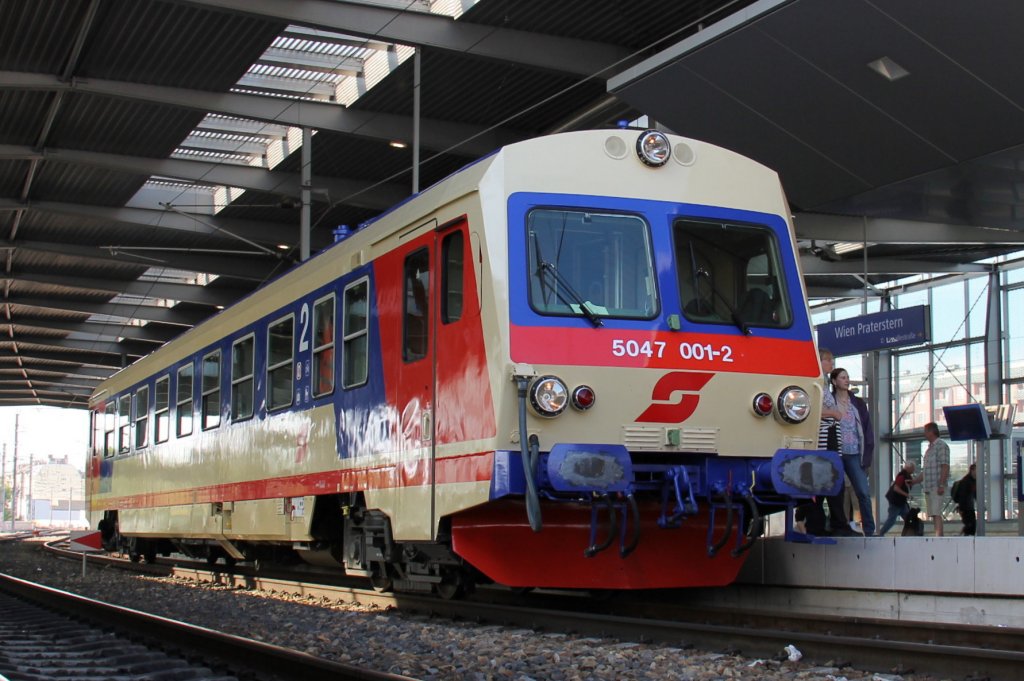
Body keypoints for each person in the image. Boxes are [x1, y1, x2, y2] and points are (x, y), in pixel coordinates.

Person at [803, 349, 856, 536]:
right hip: (823, 434)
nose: (831, 364)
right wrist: (833, 413)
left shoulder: (823, 384)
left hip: (830, 433)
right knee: (828, 478)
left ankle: (827, 522)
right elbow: (812, 409)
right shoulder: (815, 383)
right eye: (828, 360)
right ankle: (829, 523)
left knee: (831, 479)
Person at [830, 367, 876, 536]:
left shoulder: (857, 403)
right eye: (843, 377)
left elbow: (867, 429)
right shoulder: (830, 402)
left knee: (863, 492)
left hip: (855, 452)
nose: (847, 380)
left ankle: (869, 529)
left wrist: (867, 457)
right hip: (836, 453)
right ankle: (838, 525)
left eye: (848, 377)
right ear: (834, 381)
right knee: (837, 491)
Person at [877, 460, 922, 536]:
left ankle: (911, 533)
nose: (914, 470)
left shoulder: (907, 476)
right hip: (896, 502)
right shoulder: (901, 476)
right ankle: (881, 533)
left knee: (908, 518)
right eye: (913, 468)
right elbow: (896, 488)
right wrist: (907, 495)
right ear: (909, 467)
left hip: (902, 502)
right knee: (892, 519)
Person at [921, 422, 950, 536]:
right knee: (933, 513)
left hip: (937, 485)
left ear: (931, 432)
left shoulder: (941, 446)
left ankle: (939, 537)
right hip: (929, 486)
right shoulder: (929, 449)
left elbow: (945, 465)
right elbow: (926, 470)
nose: (924, 434)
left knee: (936, 512)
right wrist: (915, 481)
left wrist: (941, 484)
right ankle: (937, 535)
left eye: (926, 431)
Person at [955, 463, 978, 536]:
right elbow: (963, 496)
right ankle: (961, 535)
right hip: (966, 508)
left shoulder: (973, 481)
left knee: (970, 525)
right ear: (972, 470)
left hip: (969, 507)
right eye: (976, 471)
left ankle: (962, 535)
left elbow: (974, 494)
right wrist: (961, 508)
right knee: (970, 525)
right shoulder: (966, 481)